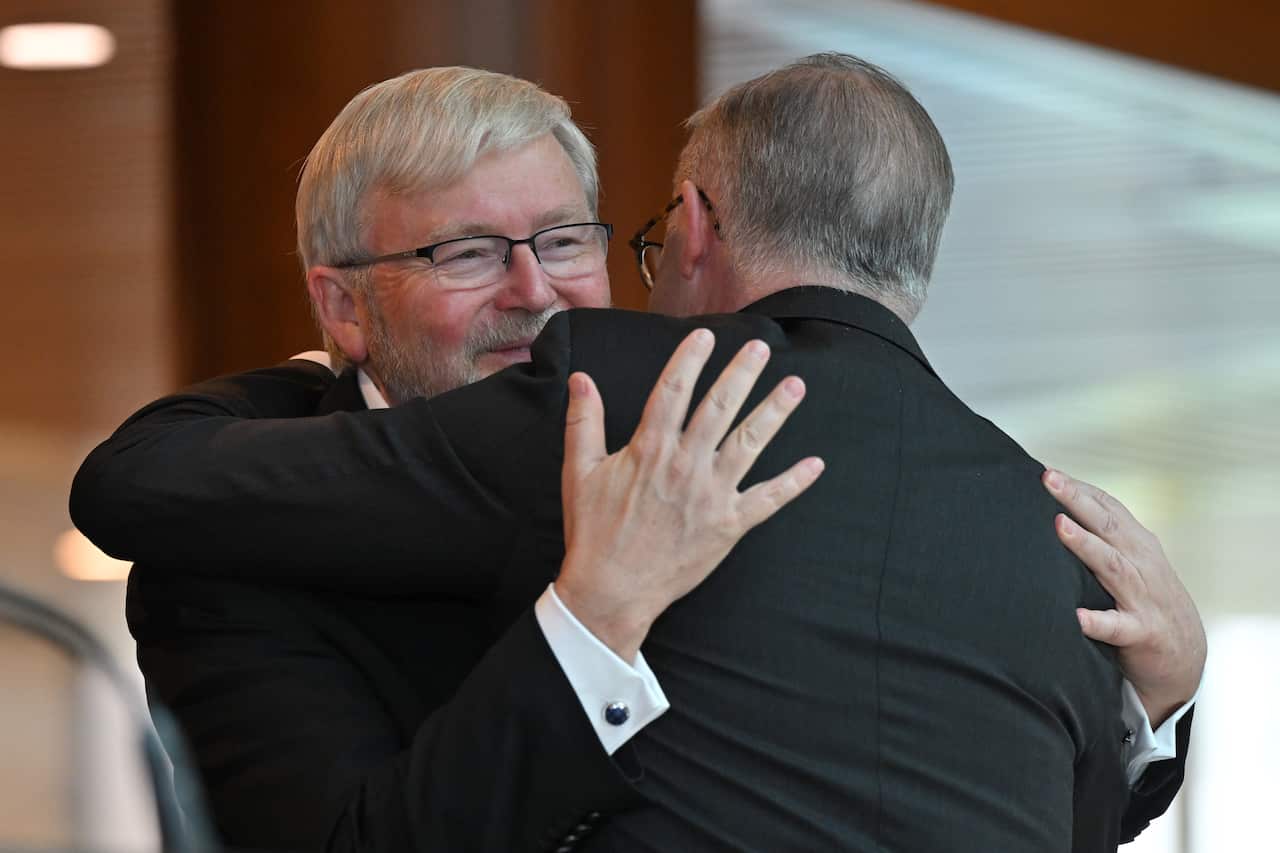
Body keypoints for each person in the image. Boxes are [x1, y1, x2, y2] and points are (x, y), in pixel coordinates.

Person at [71, 58, 1204, 850]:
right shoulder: (229, 554)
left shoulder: (688, 429)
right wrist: (590, 624)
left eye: (566, 240)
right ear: (344, 306)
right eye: (468, 253)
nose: (535, 291)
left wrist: (1153, 702)